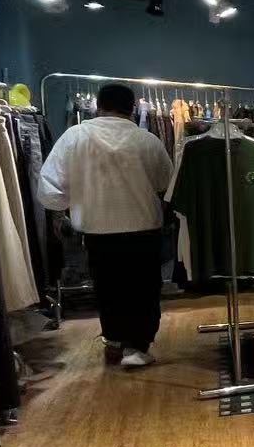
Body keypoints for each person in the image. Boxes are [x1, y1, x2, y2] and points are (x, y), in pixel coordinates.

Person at [38, 83, 173, 368]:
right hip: (143, 226)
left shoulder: (75, 136)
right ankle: (137, 347)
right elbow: (166, 183)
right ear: (132, 107)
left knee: (108, 288)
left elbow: (50, 185)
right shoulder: (147, 140)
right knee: (143, 290)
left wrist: (61, 212)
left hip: (97, 228)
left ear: (98, 106)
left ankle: (113, 340)